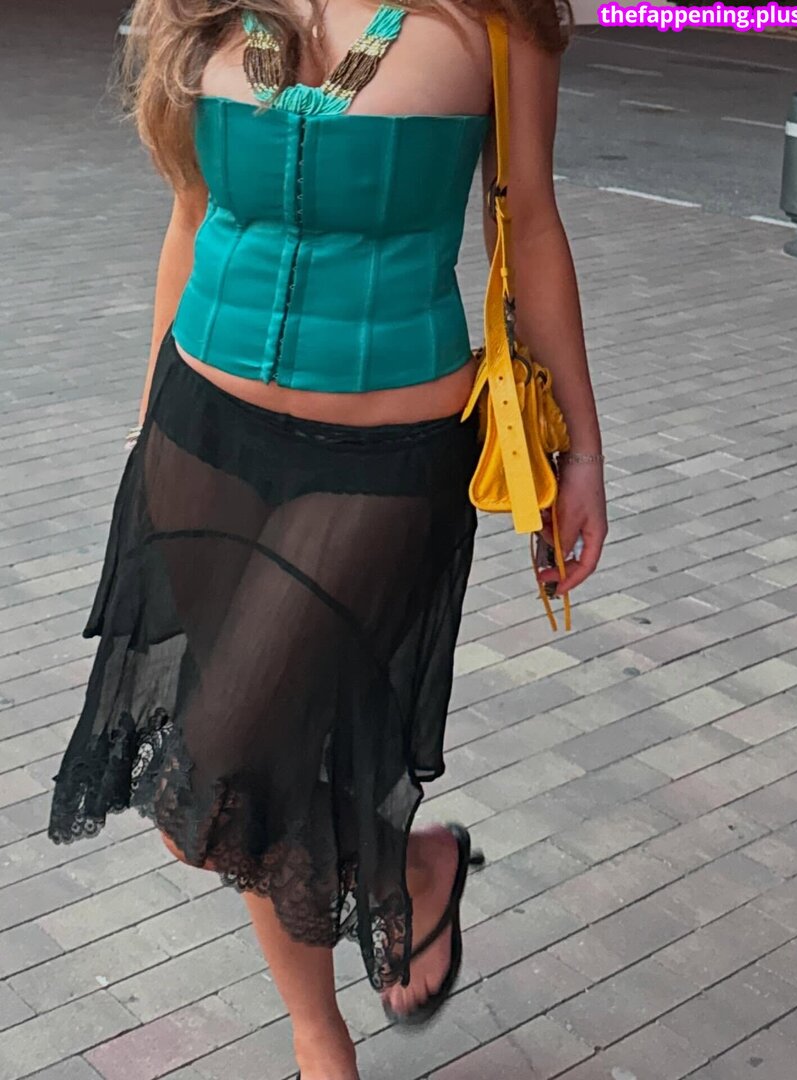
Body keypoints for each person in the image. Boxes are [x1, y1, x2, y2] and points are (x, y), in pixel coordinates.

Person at [47, 0, 607, 1076]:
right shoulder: (199, 9)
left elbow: (530, 222)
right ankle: (320, 1036)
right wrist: (145, 424)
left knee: (212, 775)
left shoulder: (496, 17)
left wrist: (581, 450)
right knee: (271, 767)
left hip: (381, 460)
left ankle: (412, 871)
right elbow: (191, 215)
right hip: (201, 432)